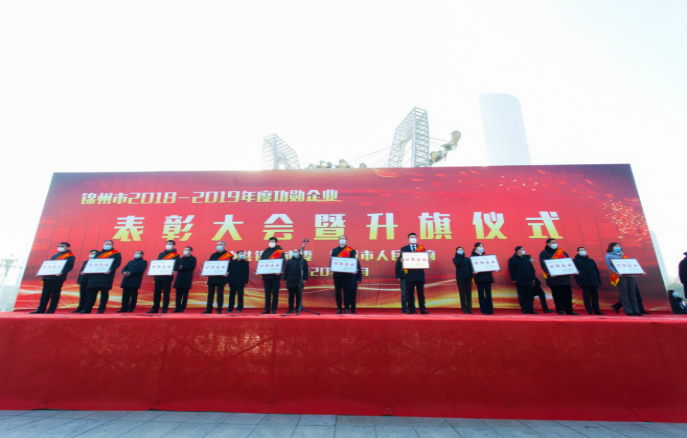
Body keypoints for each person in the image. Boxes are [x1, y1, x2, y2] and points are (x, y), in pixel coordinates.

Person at [31, 242, 76, 314]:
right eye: (59, 246)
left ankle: (51, 310)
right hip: (48, 277)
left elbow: (70, 267)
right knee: (45, 294)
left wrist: (62, 272)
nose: (60, 247)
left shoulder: (70, 256)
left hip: (58, 277)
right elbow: (49, 266)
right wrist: (42, 273)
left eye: (63, 246)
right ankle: (41, 309)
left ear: (67, 247)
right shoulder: (55, 255)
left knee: (55, 294)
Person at [539, 238, 578, 315]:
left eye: (555, 242)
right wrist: (550, 272)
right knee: (557, 295)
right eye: (553, 242)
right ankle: (560, 310)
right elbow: (544, 265)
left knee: (568, 295)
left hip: (565, 278)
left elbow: (569, 262)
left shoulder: (562, 252)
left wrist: (572, 270)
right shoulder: (544, 253)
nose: (555, 244)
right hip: (554, 279)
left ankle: (570, 311)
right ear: (548, 244)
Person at [81, 240, 122, 314]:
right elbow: (93, 263)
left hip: (106, 276)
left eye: (109, 244)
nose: (107, 245)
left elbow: (117, 263)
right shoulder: (98, 253)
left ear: (112, 245)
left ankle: (101, 309)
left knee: (104, 293)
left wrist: (111, 270)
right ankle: (87, 309)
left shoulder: (116, 253)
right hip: (95, 277)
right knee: (92, 294)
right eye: (106, 244)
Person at [605, 242, 642, 316]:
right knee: (624, 294)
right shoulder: (608, 256)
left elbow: (630, 264)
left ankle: (636, 311)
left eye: (618, 246)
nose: (618, 247)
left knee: (633, 294)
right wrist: (616, 271)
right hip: (620, 276)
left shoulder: (623, 255)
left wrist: (639, 270)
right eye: (616, 246)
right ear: (611, 247)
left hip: (630, 276)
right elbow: (610, 266)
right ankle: (629, 311)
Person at [398, 233, 429, 314]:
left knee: (421, 294)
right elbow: (400, 261)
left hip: (419, 274)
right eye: (411, 237)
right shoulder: (404, 248)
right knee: (410, 294)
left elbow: (423, 259)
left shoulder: (421, 248)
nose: (413, 238)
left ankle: (422, 309)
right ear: (408, 239)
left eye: (414, 237)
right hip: (409, 274)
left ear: (416, 238)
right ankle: (410, 309)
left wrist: (427, 260)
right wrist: (401, 260)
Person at [147, 240, 180, 314]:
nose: (168, 245)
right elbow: (158, 264)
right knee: (156, 293)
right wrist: (152, 271)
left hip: (167, 277)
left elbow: (177, 265)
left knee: (166, 293)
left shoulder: (176, 255)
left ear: (173, 246)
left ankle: (164, 308)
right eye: (167, 243)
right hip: (158, 276)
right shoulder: (161, 254)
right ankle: (155, 308)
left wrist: (173, 270)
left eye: (170, 244)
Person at [573, 247, 604, 315]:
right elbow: (575, 272)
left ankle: (597, 310)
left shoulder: (591, 260)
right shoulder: (575, 261)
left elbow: (596, 271)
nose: (583, 251)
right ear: (578, 252)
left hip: (594, 281)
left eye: (584, 250)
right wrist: (578, 281)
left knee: (595, 297)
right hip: (584, 281)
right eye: (581, 250)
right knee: (586, 297)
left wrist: (598, 280)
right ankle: (590, 310)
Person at [205, 240, 233, 314]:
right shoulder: (213, 255)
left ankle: (219, 309)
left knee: (220, 294)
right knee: (210, 294)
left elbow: (230, 266)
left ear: (224, 246)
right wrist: (205, 272)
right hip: (212, 277)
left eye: (220, 244)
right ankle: (209, 309)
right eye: (217, 245)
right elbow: (209, 265)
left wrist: (227, 272)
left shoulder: (228, 255)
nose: (219, 246)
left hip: (221, 277)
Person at [331, 235, 357, 314]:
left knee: (347, 292)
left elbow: (353, 261)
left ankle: (346, 308)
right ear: (339, 240)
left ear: (346, 240)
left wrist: (354, 268)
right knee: (338, 292)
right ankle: (339, 308)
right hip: (337, 275)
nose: (342, 240)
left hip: (347, 275)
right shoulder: (334, 250)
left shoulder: (351, 250)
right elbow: (332, 261)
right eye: (341, 239)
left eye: (344, 239)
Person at [260, 237, 285, 314]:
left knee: (275, 293)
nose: (271, 243)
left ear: (276, 242)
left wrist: (279, 270)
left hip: (275, 276)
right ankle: (267, 309)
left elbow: (283, 262)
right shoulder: (265, 251)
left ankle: (274, 309)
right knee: (267, 293)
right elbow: (261, 262)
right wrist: (260, 270)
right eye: (270, 241)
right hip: (266, 276)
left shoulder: (279, 251)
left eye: (273, 241)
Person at [508, 246, 537, 314]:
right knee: (522, 295)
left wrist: (533, 278)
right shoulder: (512, 259)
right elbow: (511, 270)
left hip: (528, 279)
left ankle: (531, 309)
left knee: (529, 295)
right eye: (522, 249)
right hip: (520, 280)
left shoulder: (526, 258)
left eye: (524, 249)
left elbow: (531, 269)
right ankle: (524, 309)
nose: (524, 250)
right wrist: (513, 279)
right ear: (518, 250)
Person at [471, 242, 494, 315]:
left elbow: (491, 264)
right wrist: (473, 271)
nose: (481, 247)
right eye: (479, 246)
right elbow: (470, 268)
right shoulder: (472, 257)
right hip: (479, 278)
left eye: (482, 246)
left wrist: (494, 267)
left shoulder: (486, 255)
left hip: (488, 277)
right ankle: (484, 310)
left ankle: (490, 310)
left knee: (488, 294)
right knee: (481, 294)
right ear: (476, 248)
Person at [283, 248, 309, 314]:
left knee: (298, 296)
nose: (295, 253)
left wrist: (305, 279)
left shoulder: (303, 261)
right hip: (290, 281)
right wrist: (285, 279)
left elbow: (306, 271)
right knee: (290, 296)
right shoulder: (289, 261)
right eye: (294, 252)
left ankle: (297, 309)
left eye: (296, 252)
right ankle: (290, 309)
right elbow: (286, 270)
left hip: (299, 281)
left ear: (299, 253)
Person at [72, 249, 97, 313]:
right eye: (91, 253)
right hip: (83, 279)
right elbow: (81, 271)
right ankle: (80, 308)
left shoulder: (98, 262)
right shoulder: (86, 262)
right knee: (82, 295)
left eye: (94, 253)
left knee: (89, 295)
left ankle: (86, 308)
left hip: (91, 280)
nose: (92, 255)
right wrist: (79, 279)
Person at [173, 246, 197, 313]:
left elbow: (192, 267)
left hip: (187, 278)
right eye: (185, 249)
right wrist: (177, 267)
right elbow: (176, 267)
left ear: (190, 251)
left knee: (185, 295)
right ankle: (177, 308)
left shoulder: (193, 259)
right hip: (179, 278)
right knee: (178, 295)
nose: (185, 251)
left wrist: (182, 267)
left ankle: (182, 308)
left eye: (187, 250)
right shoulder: (181, 259)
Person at [453, 246, 473, 314]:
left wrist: (471, 276)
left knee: (468, 294)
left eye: (462, 249)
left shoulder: (467, 259)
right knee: (462, 294)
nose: (460, 250)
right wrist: (460, 256)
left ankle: (469, 309)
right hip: (460, 278)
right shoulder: (455, 259)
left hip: (468, 278)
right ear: (456, 251)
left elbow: (470, 268)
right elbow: (457, 263)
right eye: (459, 250)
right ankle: (464, 309)